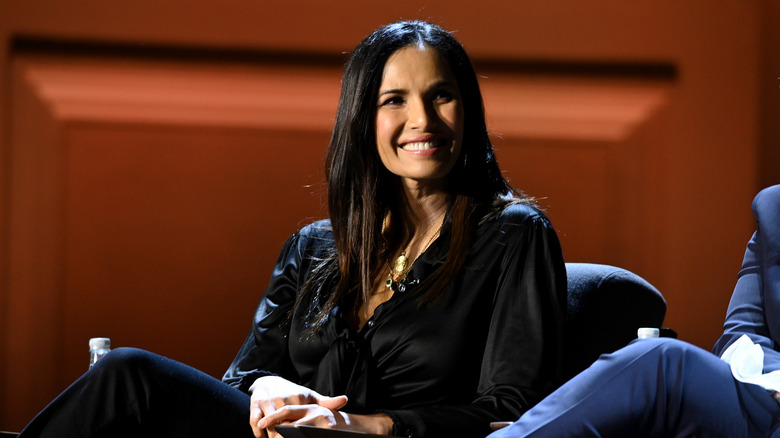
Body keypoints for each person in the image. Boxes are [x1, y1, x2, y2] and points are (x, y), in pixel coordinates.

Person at [17, 20, 567, 438]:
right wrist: (268, 384)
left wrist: (366, 427)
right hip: (280, 437)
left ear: (467, 108)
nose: (422, 119)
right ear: (362, 119)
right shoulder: (314, 246)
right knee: (125, 373)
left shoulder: (514, 234)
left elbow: (514, 411)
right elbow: (242, 376)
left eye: (441, 95)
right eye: (394, 100)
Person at [488, 184, 780, 438]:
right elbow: (742, 335)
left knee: (665, 361)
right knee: (648, 383)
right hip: (766, 395)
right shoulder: (774, 209)